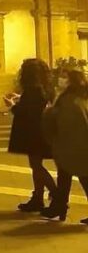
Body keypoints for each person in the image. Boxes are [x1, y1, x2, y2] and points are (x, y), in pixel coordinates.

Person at [7, 59, 56, 213]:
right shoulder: (45, 88)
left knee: (36, 166)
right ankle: (38, 197)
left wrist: (12, 106)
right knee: (36, 165)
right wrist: (20, 98)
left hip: (33, 133)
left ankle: (56, 195)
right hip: (41, 132)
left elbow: (27, 112)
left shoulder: (33, 89)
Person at [40, 69, 88, 223]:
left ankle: (59, 207)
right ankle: (59, 206)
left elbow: (63, 120)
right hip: (73, 145)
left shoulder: (70, 100)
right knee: (66, 177)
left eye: (64, 77)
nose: (60, 80)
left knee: (80, 177)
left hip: (74, 145)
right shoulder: (77, 98)